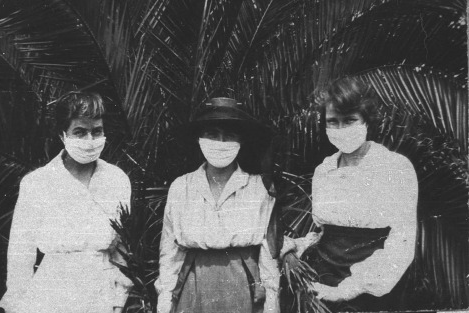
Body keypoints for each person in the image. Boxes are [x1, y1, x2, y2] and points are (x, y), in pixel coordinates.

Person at [0, 91, 132, 313]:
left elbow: (122, 248)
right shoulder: (38, 182)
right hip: (52, 295)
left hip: (101, 296)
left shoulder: (116, 179)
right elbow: (20, 255)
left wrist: (119, 299)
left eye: (96, 132)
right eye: (79, 132)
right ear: (63, 134)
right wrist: (16, 306)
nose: (90, 141)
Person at [301, 77, 418, 311]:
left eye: (350, 120)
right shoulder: (324, 170)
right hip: (323, 279)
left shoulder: (394, 167)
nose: (341, 129)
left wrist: (348, 290)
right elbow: (325, 231)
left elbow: (401, 241)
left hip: (372, 288)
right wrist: (299, 245)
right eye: (333, 122)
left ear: (366, 120)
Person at [155, 97, 281, 313]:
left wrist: (271, 305)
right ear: (199, 139)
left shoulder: (258, 188)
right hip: (193, 285)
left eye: (229, 136)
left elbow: (269, 255)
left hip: (242, 285)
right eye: (212, 135)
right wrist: (165, 303)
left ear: (241, 141)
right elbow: (170, 252)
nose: (221, 143)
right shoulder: (181, 187)